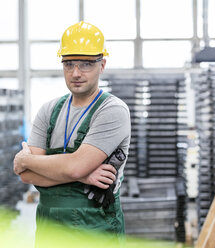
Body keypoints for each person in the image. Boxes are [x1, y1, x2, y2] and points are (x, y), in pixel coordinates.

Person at [13, 21, 131, 243]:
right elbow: (26, 175)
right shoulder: (48, 110)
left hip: (95, 229)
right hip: (50, 228)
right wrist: (83, 175)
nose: (76, 73)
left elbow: (75, 167)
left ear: (102, 64)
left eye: (86, 64)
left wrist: (27, 160)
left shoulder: (112, 110)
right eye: (68, 64)